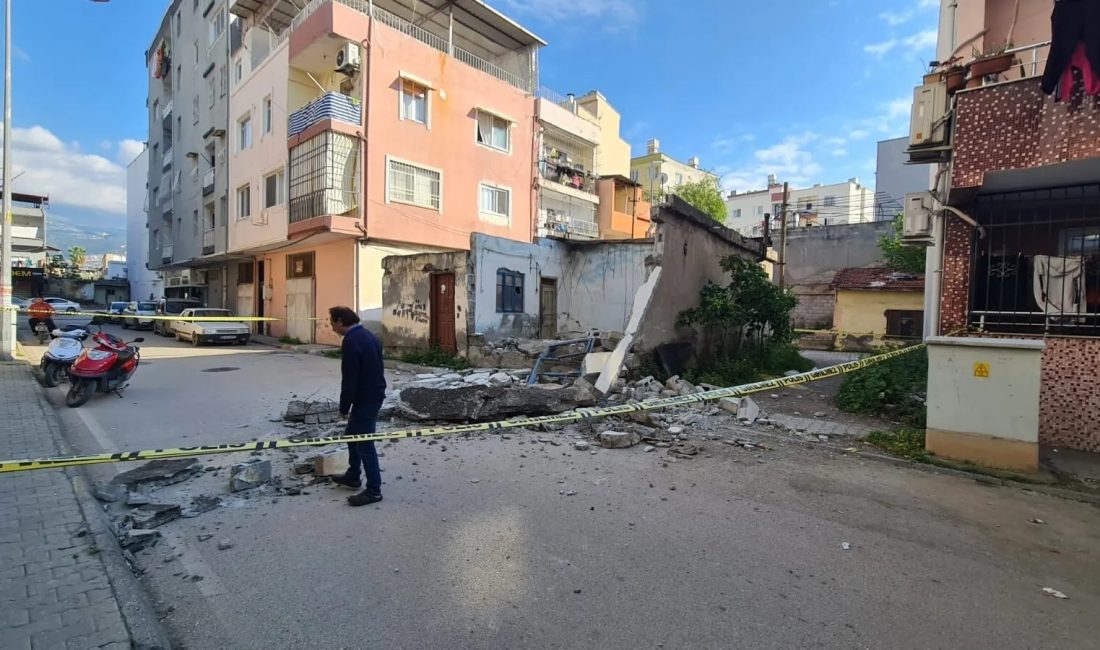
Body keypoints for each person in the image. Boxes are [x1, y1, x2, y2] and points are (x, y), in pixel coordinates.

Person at [328, 306, 388, 507]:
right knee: (351, 435)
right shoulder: (368, 335)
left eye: (332, 323)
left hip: (367, 398)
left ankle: (374, 491)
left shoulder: (352, 341)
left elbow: (350, 379)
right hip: (373, 393)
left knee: (364, 442)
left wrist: (344, 408)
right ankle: (353, 475)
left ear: (339, 321)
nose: (331, 327)